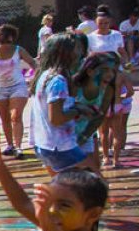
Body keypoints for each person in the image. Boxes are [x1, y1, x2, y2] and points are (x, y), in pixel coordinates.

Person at [29, 34, 94, 174]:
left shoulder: (44, 75)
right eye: (75, 50)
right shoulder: (58, 81)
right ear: (66, 54)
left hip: (44, 143)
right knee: (95, 184)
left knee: (66, 190)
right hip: (60, 147)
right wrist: (78, 110)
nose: (78, 54)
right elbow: (56, 118)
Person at [0, 23, 39, 159]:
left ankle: (18, 147)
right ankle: (10, 145)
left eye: (7, 35)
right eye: (1, 34)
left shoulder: (18, 50)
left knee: (16, 116)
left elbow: (33, 63)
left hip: (17, 86)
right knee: (5, 118)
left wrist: (34, 78)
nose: (4, 37)